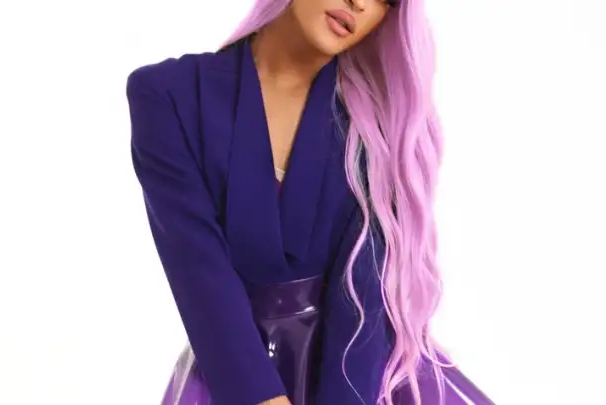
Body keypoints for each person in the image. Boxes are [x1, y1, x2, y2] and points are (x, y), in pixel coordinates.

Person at [126, 0, 493, 404]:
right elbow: (198, 270)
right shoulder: (168, 95)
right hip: (235, 371)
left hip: (362, 378)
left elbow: (363, 298)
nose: (359, 3)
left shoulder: (378, 126)